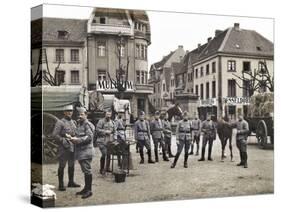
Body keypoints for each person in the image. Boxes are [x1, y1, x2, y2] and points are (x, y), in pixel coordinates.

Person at [52, 105, 80, 191]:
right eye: (67, 111)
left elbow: (75, 133)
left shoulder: (74, 122)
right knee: (62, 166)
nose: (69, 112)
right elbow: (54, 135)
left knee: (71, 165)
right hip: (63, 148)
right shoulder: (60, 122)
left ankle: (71, 182)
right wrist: (63, 140)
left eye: (71, 111)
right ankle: (61, 184)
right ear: (64, 112)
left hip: (72, 147)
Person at [68, 108, 94, 199]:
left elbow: (89, 138)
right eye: (79, 114)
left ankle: (89, 190)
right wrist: (72, 137)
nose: (80, 116)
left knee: (87, 170)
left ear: (86, 115)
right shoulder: (80, 124)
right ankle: (86, 188)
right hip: (81, 152)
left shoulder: (88, 124)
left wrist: (77, 140)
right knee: (85, 170)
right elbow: (79, 135)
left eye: (82, 114)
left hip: (86, 151)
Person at [96, 110, 117, 175]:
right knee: (104, 154)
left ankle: (107, 168)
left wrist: (115, 138)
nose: (108, 116)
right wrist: (105, 131)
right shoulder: (101, 121)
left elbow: (115, 131)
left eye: (109, 114)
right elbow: (97, 130)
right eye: (107, 114)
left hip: (109, 141)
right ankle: (102, 169)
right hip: (101, 141)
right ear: (105, 114)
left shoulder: (112, 122)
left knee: (109, 154)